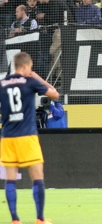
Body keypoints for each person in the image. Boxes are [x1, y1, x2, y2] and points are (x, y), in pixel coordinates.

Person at [1, 52, 58, 224]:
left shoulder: (2, 84)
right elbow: (55, 95)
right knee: (37, 177)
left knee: (10, 179)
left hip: (8, 137)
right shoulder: (30, 81)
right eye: (30, 68)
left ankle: (15, 219)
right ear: (25, 66)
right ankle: (40, 218)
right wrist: (38, 78)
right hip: (27, 136)